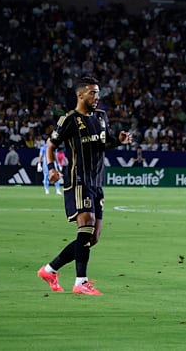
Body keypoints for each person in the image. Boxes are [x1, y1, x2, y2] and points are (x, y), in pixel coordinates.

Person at [36, 78, 133, 296]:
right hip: (78, 180)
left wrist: (118, 140)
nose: (96, 97)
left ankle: (49, 270)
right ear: (80, 95)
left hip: (97, 181)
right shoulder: (69, 119)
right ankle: (81, 282)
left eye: (97, 93)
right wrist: (51, 169)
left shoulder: (101, 117)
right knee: (86, 225)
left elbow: (103, 143)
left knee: (93, 237)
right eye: (92, 93)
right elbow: (51, 145)